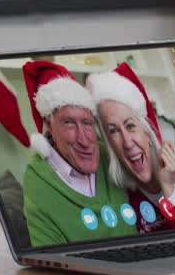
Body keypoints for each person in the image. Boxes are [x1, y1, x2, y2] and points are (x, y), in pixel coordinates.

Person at [86, 61, 175, 232]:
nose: (128, 142)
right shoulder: (123, 193)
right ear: (110, 144)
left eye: (130, 126)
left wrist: (168, 187)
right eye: (114, 131)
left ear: (146, 131)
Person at [20, 60, 138, 247]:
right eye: (69, 123)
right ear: (49, 125)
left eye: (87, 123)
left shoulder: (110, 155)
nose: (84, 140)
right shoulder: (38, 178)